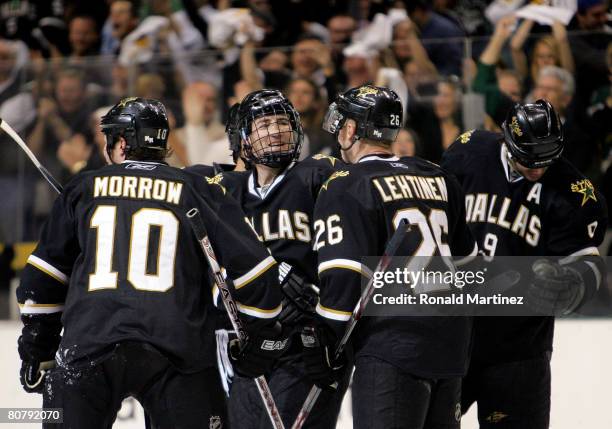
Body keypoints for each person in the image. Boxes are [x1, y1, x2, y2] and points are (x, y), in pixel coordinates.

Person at [16, 97, 289, 429]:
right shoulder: (197, 190)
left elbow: (41, 282)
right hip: (178, 350)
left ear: (120, 142)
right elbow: (258, 271)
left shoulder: (83, 189)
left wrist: (38, 352)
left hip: (88, 346)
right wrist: (258, 337)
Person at [303, 84, 478, 429]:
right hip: (450, 345)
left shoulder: (345, 182)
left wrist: (326, 339)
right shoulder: (437, 176)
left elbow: (343, 276)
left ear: (352, 129)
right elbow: (471, 265)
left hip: (391, 348)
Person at [441, 100, 607, 428]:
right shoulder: (468, 152)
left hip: (518, 347)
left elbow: (588, 261)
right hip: (453, 336)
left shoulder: (575, 193)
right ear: (507, 140)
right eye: (528, 159)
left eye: (546, 160)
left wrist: (573, 283)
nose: (537, 170)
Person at [215, 89, 350, 428]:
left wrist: (317, 297)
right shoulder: (225, 190)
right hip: (249, 343)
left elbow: (349, 243)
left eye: (282, 122)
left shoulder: (319, 175)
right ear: (243, 138)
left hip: (308, 342)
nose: (275, 130)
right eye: (264, 123)